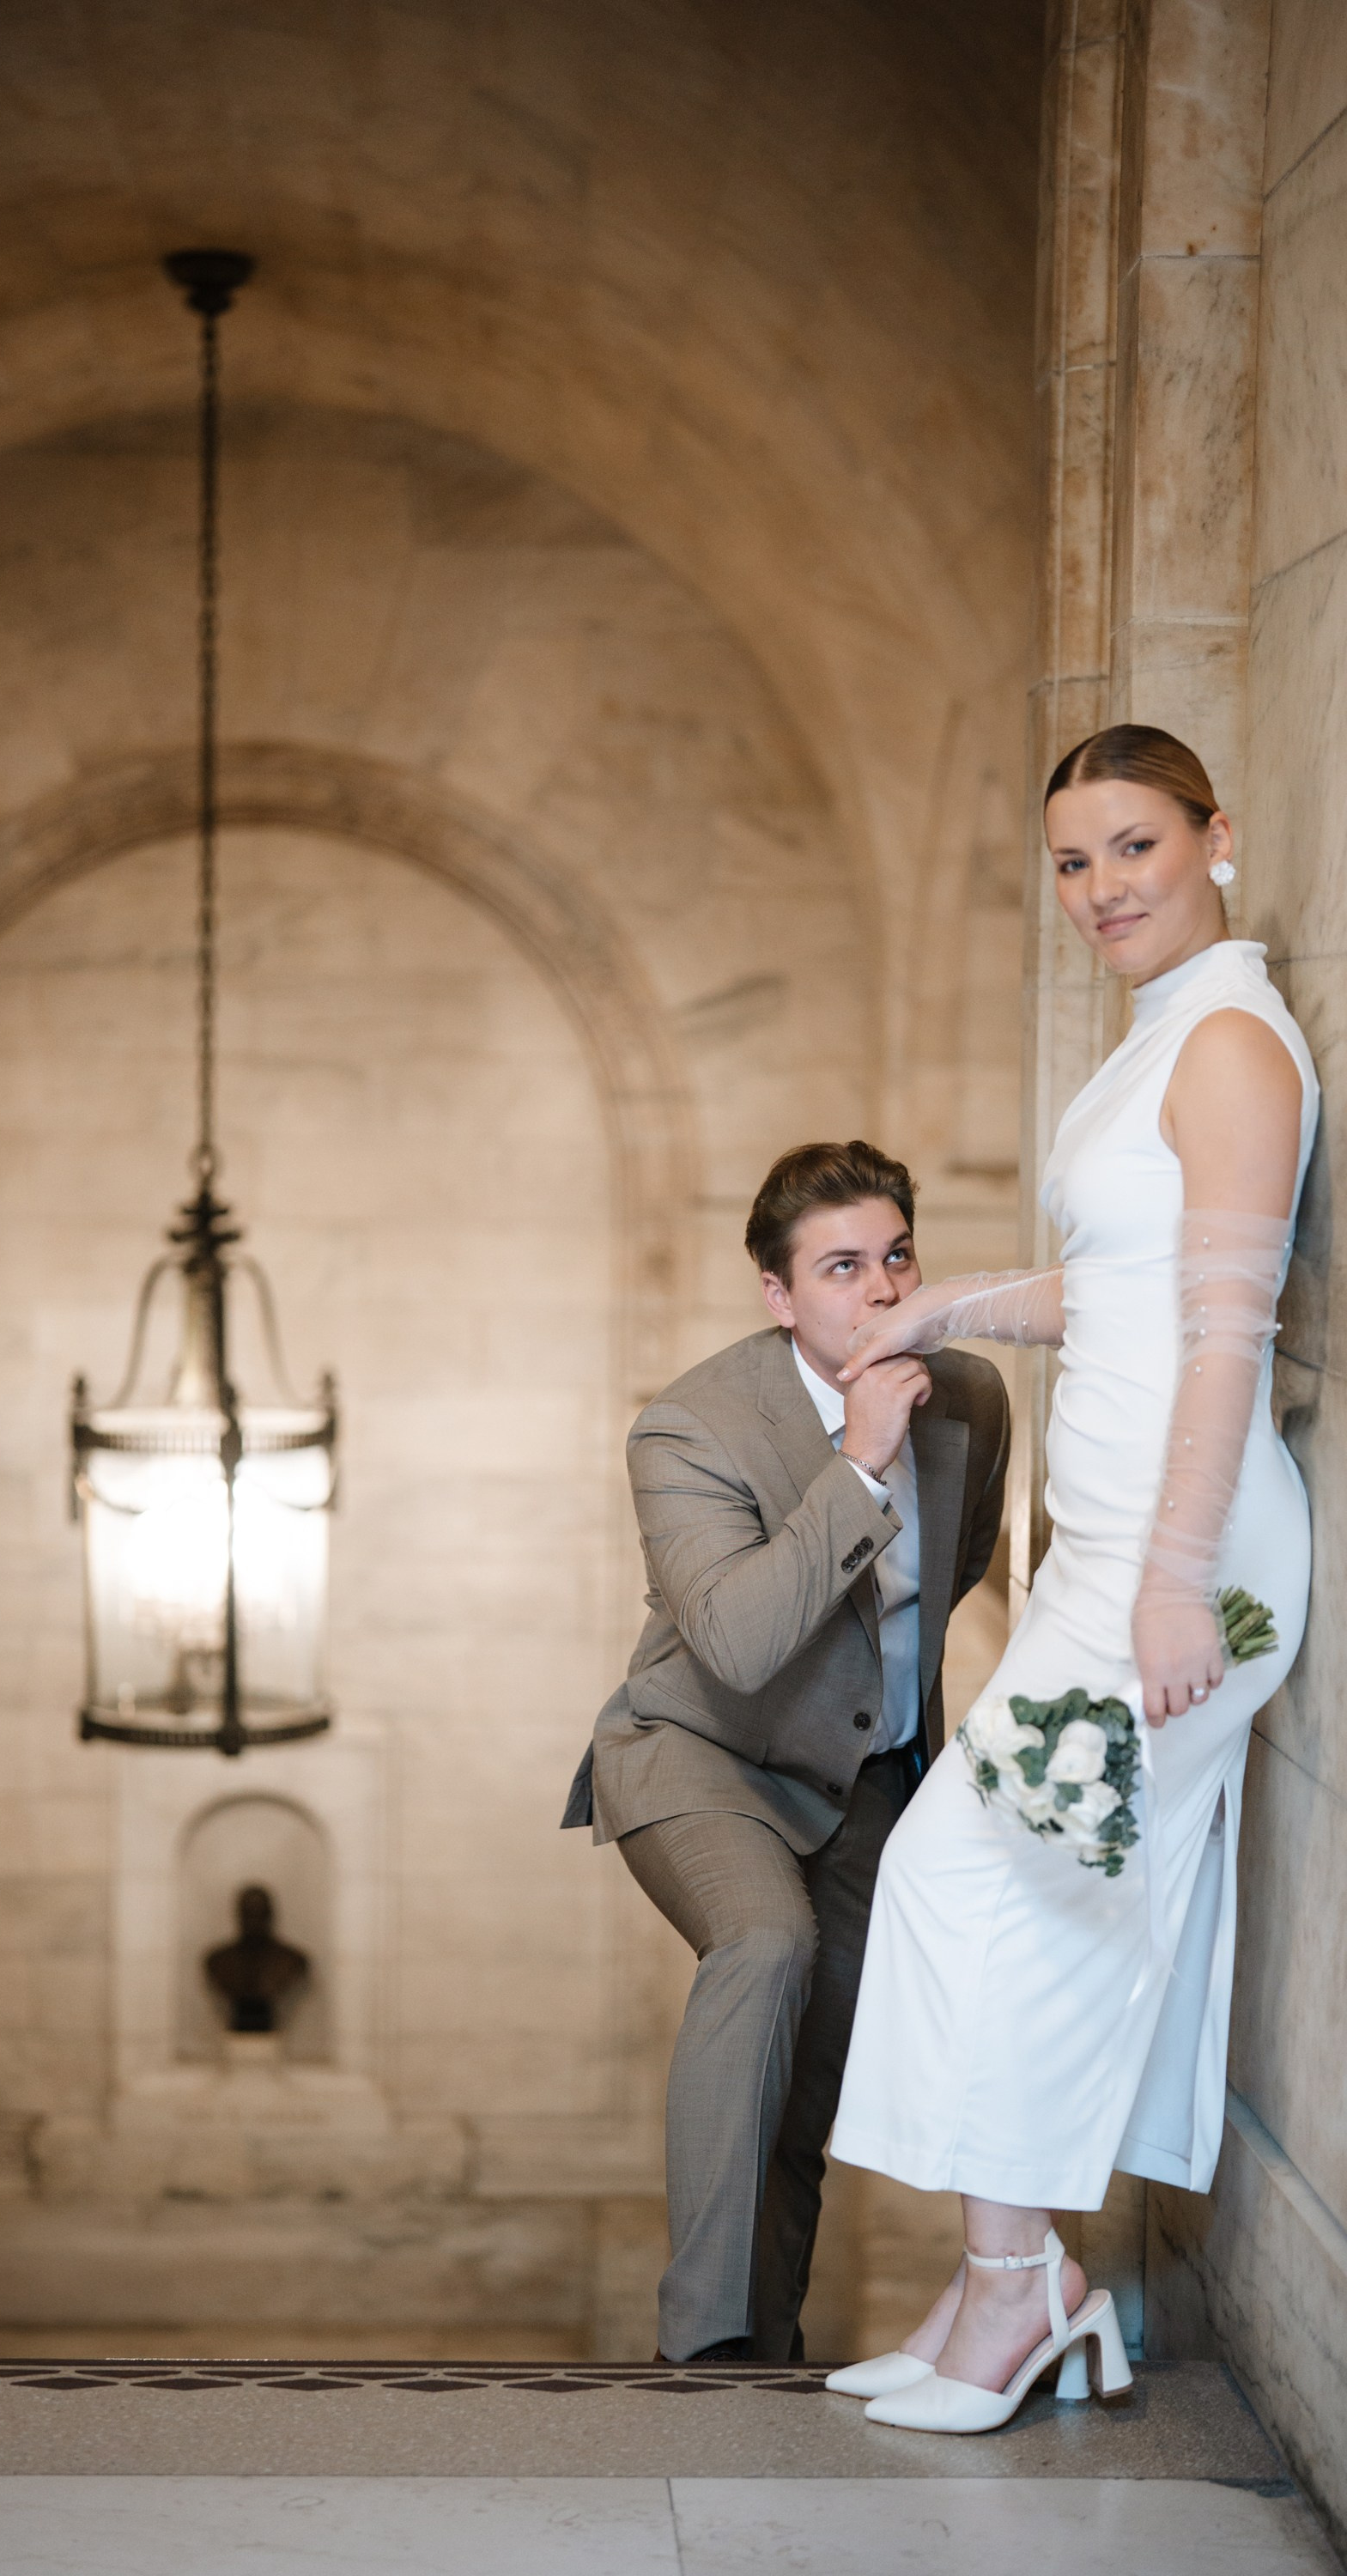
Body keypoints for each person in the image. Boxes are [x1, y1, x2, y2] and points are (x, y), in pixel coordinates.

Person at [825, 724, 1318, 2433]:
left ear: (1214, 838)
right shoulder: (1157, 1040)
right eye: (1070, 860)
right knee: (995, 1888)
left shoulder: (1234, 1047)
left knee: (978, 1884)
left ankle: (1021, 2299)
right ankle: (1004, 2286)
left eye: (1130, 847)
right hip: (1107, 1551)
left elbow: (1219, 1333)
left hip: (1185, 1569)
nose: (1098, 888)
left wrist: (1175, 1587)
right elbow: (1111, 1282)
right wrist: (943, 1307)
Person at [562, 1141, 1010, 2364]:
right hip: (699, 1755)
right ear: (778, 1294)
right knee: (767, 1946)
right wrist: (860, 1457)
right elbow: (744, 1642)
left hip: (865, 1779)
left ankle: (766, 2359)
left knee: (810, 2086)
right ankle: (698, 2357)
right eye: (841, 1266)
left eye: (897, 1255)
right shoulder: (689, 1430)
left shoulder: (970, 1399)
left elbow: (950, 1585)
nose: (879, 1288)